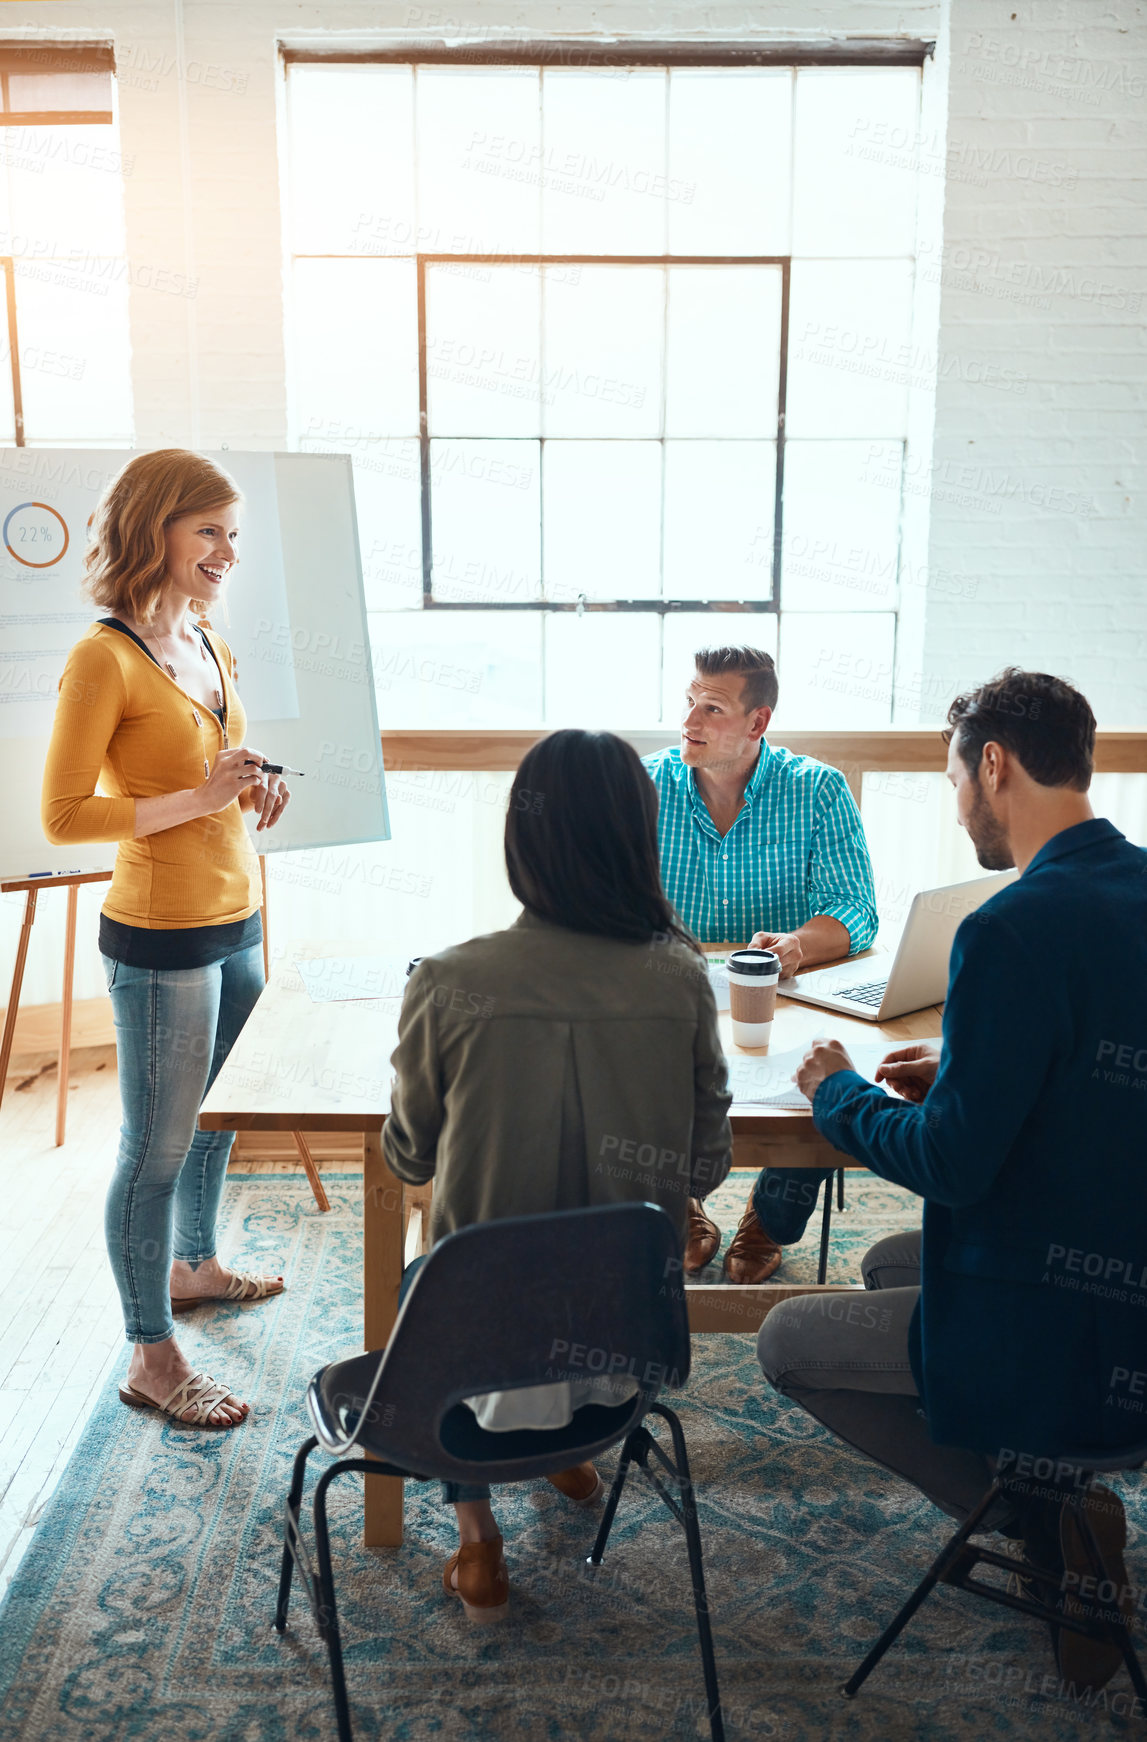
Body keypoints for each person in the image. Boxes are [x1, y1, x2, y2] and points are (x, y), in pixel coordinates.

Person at [758, 668, 1147, 1693]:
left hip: (1061, 1334)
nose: (959, 802)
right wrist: (969, 1066)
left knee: (787, 1338)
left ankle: (1043, 1512)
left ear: (992, 763)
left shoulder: (1011, 926)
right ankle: (1052, 1497)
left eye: (952, 779)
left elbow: (949, 1163)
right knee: (892, 1262)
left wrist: (840, 1093)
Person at [382, 728, 733, 1621]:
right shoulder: (682, 977)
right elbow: (706, 1164)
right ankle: (564, 1445)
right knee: (582, 1251)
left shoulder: (450, 980)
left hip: (475, 1349)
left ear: (523, 837)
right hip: (624, 1343)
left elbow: (409, 1156)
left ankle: (477, 1543)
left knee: (428, 1273)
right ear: (637, 839)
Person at [41, 449, 291, 1430]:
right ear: (157, 529)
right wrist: (201, 795)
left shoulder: (207, 639)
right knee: (155, 1144)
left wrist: (255, 775)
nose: (228, 551)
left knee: (220, 1113)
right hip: (161, 933)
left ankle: (195, 1264)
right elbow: (65, 813)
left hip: (236, 914)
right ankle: (152, 1351)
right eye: (209, 531)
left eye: (234, 533)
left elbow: (223, 760)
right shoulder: (102, 658)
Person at [643, 644, 878, 1284]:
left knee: (827, 1073)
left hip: (786, 995)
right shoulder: (645, 784)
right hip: (668, 991)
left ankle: (771, 1220)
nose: (689, 721)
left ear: (758, 722)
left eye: (711, 708)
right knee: (626, 1065)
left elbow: (855, 909)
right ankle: (676, 1205)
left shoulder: (818, 789)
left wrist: (800, 943)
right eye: (689, 702)